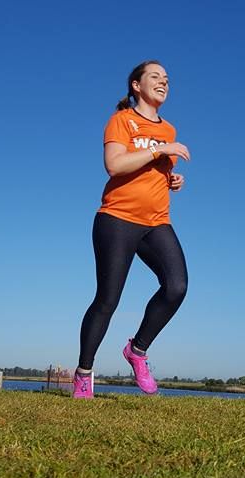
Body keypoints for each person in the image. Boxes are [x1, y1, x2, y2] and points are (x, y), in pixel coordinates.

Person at [74, 60, 191, 399]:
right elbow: (115, 164)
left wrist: (171, 179)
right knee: (108, 299)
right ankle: (83, 373)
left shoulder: (169, 129)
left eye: (167, 79)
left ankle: (137, 350)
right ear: (136, 86)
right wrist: (160, 150)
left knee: (176, 287)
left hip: (156, 221)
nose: (164, 82)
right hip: (117, 218)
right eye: (155, 77)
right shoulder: (121, 120)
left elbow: (152, 172)